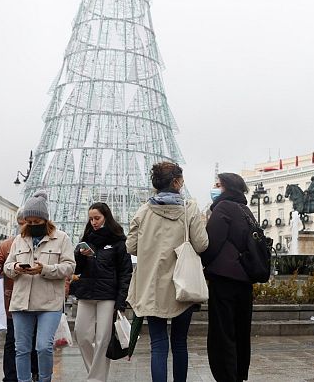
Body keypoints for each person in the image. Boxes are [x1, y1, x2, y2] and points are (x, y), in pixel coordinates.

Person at [127, 161, 208, 382]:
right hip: (183, 285)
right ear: (175, 182)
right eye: (181, 179)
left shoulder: (143, 211)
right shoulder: (188, 208)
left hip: (152, 286)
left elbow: (131, 247)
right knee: (180, 342)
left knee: (158, 344)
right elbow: (201, 245)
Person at [4, 191, 76, 382]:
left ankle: (45, 379)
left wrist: (45, 269)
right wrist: (16, 268)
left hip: (49, 302)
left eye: (37, 221)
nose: (34, 225)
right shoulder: (19, 240)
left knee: (44, 346)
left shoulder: (61, 238)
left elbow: (69, 267)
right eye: (30, 222)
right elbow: (7, 266)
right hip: (21, 302)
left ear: (45, 219)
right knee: (21, 348)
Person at [201, 172, 255, 382]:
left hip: (224, 280)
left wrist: (202, 264)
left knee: (222, 333)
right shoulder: (245, 209)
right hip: (245, 280)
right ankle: (239, 374)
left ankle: (226, 376)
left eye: (217, 184)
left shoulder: (223, 208)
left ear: (227, 188)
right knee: (241, 330)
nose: (214, 188)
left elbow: (210, 244)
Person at [72, 202, 132, 382]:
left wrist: (121, 300)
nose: (93, 222)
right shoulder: (87, 239)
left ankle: (95, 380)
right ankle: (95, 374)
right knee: (81, 334)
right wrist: (80, 256)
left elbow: (125, 272)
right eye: (91, 219)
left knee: (102, 339)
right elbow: (77, 270)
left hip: (108, 295)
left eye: (97, 218)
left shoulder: (119, 241)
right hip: (87, 292)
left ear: (106, 216)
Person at [0, 209, 40, 382]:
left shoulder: (46, 243)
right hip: (14, 301)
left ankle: (34, 372)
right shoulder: (8, 245)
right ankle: (11, 377)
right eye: (25, 222)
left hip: (40, 301)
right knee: (13, 341)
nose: (28, 226)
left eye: (33, 222)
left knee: (37, 342)